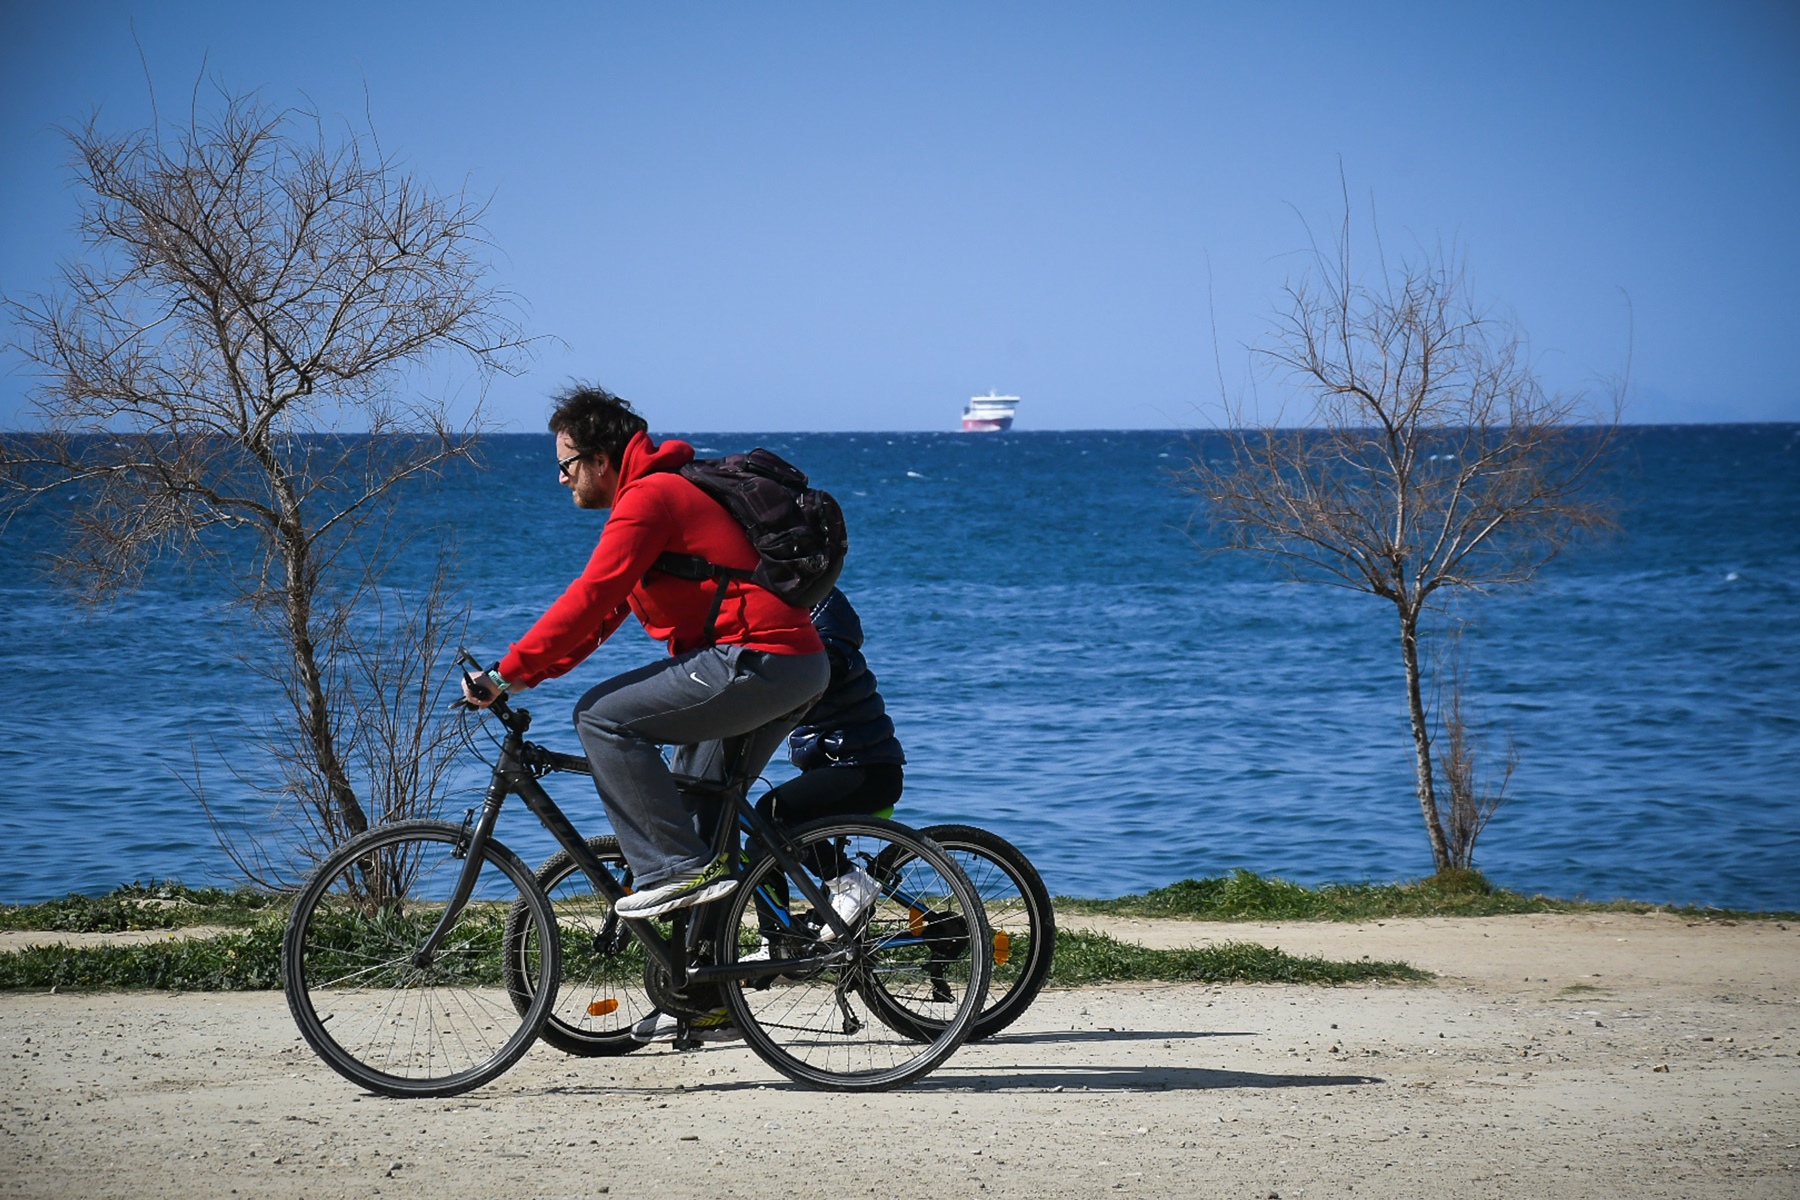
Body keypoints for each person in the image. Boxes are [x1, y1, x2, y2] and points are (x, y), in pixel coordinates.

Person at [461, 384, 829, 924]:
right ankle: (705, 998)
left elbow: (589, 597)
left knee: (601, 719)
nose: (560, 477)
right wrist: (516, 680)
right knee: (699, 821)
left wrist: (504, 670)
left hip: (756, 659)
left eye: (566, 465)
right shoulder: (660, 495)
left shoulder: (649, 499)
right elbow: (603, 619)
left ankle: (672, 869)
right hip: (785, 664)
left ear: (600, 461)